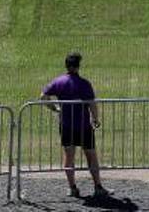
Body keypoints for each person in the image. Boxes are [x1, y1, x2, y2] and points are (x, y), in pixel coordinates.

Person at [39, 52, 108, 198]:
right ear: (78, 67)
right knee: (91, 155)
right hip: (84, 126)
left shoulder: (58, 82)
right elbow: (92, 105)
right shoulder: (84, 83)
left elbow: (43, 97)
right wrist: (95, 119)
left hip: (66, 126)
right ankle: (98, 187)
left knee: (68, 157)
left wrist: (54, 108)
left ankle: (72, 188)